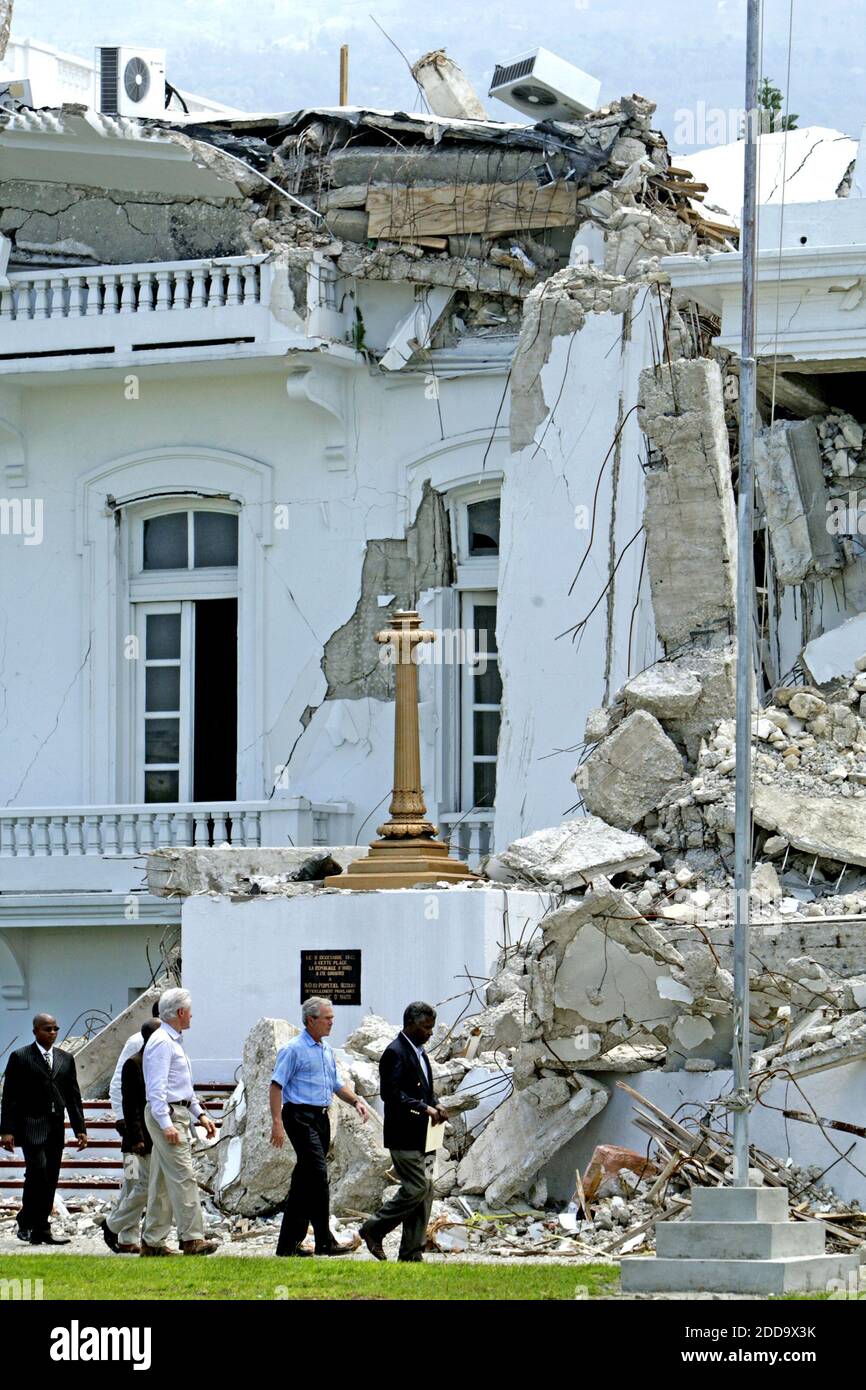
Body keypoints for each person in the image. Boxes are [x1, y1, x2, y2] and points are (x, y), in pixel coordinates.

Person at [269, 996, 370, 1257]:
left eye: (332, 1018)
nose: (331, 1023)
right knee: (318, 1176)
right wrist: (277, 1123)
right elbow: (276, 1086)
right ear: (311, 1020)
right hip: (299, 1117)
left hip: (321, 1118)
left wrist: (356, 1101)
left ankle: (288, 1244)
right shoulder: (293, 1049)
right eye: (327, 1018)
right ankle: (325, 1240)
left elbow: (337, 1085)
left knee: (303, 1182)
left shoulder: (326, 1049)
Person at [359, 1002, 447, 1264]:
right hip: (404, 1134)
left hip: (426, 1135)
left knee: (427, 1190)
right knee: (417, 1185)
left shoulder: (420, 1053)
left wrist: (436, 1104)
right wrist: (424, 1108)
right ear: (410, 1024)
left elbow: (425, 1091)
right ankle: (374, 1228)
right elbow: (391, 1094)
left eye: (432, 1027)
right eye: (426, 1027)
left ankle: (411, 1253)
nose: (430, 1032)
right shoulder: (394, 1053)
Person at [140, 988, 218, 1256]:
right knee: (184, 1177)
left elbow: (182, 1088)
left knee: (162, 1181)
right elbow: (156, 1087)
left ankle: (152, 1242)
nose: (192, 1015)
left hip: (177, 1112)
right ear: (181, 1012)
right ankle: (192, 1238)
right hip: (169, 1116)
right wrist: (166, 1124)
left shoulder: (172, 1041)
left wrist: (201, 1115)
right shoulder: (162, 1042)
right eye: (190, 1011)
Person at [0, 1012, 88, 1245]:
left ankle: (41, 1229)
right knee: (37, 1171)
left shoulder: (65, 1058)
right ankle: (26, 1220)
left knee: (50, 1177)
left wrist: (80, 1129)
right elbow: (9, 1096)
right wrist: (6, 1131)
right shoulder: (20, 1057)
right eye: (47, 1029)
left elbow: (73, 1096)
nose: (52, 1033)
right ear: (35, 1031)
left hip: (55, 1127)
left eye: (55, 1029)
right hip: (30, 1125)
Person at [100, 1018, 161, 1254]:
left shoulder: (159, 1057)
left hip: (148, 1137)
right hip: (134, 1140)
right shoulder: (134, 1058)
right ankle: (115, 1226)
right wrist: (129, 1130)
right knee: (135, 1184)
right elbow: (123, 1094)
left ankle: (126, 1238)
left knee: (134, 1186)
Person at [108, 1001, 161, 1130]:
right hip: (143, 1116)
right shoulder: (138, 1041)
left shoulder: (178, 1041)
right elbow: (119, 1081)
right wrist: (122, 1116)